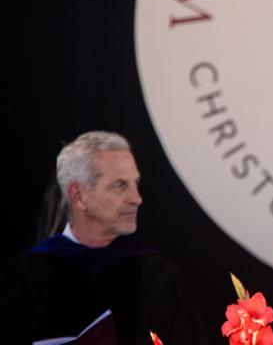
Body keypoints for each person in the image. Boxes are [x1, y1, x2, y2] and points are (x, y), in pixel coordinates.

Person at [1, 131, 207, 345]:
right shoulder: (27, 278)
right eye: (120, 185)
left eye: (135, 183)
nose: (137, 198)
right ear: (79, 196)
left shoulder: (159, 277)